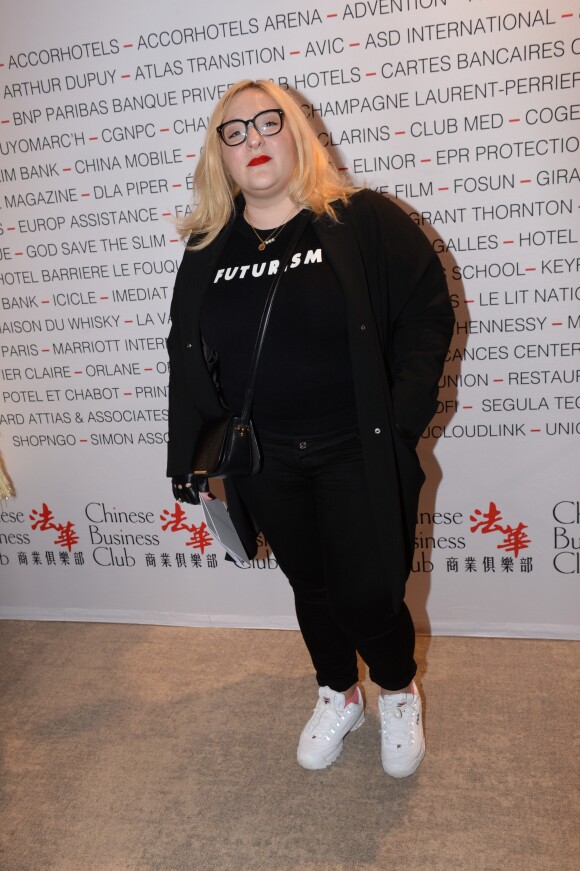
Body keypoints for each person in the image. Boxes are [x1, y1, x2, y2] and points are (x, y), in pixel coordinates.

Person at [167, 79, 454, 777]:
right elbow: (188, 352)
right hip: (265, 458)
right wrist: (189, 454)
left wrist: (402, 414)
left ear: (297, 133)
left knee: (366, 589)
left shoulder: (361, 220)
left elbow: (427, 310)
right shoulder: (209, 248)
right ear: (221, 157)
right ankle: (338, 689)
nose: (253, 141)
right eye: (234, 133)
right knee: (311, 584)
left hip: (353, 447)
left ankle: (396, 685)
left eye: (269, 123)